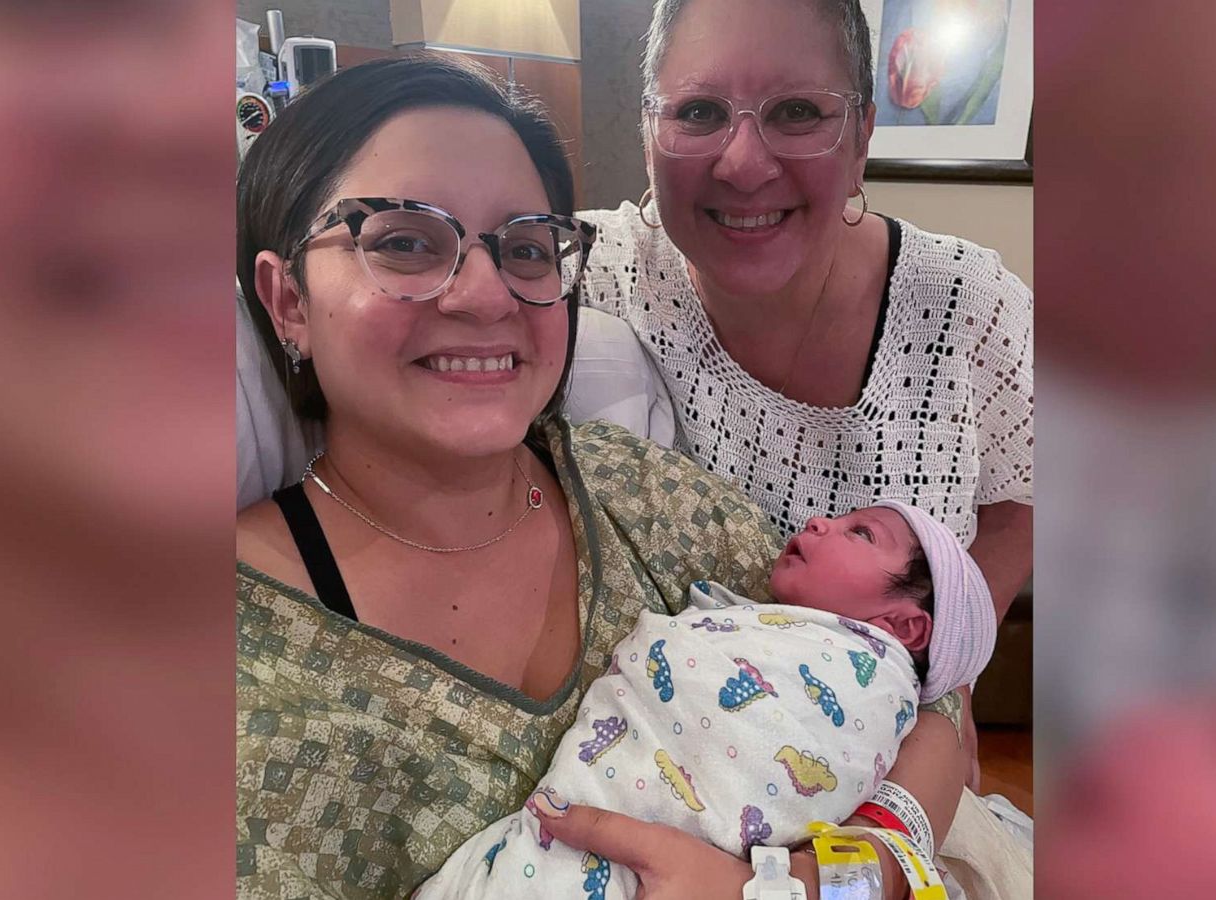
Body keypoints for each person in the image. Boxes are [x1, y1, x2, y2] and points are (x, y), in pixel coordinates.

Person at [234, 56, 968, 900]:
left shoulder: (632, 489)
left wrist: (825, 884)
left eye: (524, 247)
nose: (485, 294)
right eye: (403, 240)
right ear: (287, 298)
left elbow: (921, 697)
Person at [575, 0, 1033, 789]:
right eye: (698, 111)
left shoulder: (969, 304)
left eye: (796, 111)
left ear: (862, 140)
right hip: (647, 778)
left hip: (884, 776)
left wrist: (934, 698)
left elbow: (1019, 508)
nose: (743, 164)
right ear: (647, 134)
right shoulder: (581, 278)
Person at [414, 501, 997, 900]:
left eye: (860, 533)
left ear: (907, 629)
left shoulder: (874, 684)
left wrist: (785, 887)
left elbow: (929, 726)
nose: (818, 521)